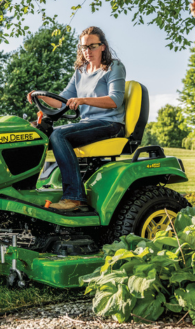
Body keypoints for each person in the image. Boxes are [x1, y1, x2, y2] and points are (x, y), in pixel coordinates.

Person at [27, 26, 126, 211]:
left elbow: (115, 100)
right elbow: (63, 101)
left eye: (92, 46)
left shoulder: (114, 67)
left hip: (110, 123)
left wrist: (82, 100)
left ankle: (74, 197)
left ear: (103, 46)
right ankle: (26, 189)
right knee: (36, 134)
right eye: (83, 47)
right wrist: (40, 96)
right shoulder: (80, 71)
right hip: (87, 124)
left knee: (59, 136)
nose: (87, 51)